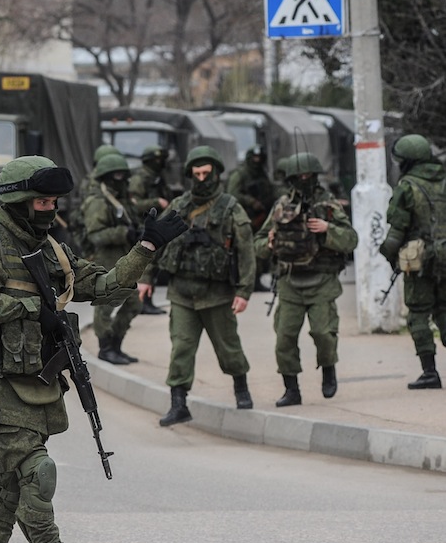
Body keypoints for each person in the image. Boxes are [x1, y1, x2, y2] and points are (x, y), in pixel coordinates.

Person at [0, 155, 188, 543]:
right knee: (38, 473)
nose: (49, 209)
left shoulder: (53, 250)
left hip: (37, 384)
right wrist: (27, 307)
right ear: (19, 201)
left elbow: (108, 288)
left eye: (54, 201)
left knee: (11, 485)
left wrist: (148, 247)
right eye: (41, 200)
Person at [153, 145, 257, 426]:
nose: (201, 178)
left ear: (216, 173)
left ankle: (241, 388)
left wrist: (244, 291)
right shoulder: (179, 206)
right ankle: (178, 403)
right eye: (196, 173)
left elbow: (246, 251)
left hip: (217, 295)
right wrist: (144, 279)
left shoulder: (230, 207)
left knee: (228, 347)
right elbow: (154, 241)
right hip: (182, 293)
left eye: (206, 173)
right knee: (181, 347)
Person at [255, 152, 357, 405]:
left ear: (315, 175)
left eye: (308, 175)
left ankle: (328, 370)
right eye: (299, 175)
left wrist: (328, 229)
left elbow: (351, 239)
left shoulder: (329, 205)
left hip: (321, 281)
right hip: (290, 282)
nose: (304, 179)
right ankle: (291, 389)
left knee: (323, 333)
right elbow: (257, 243)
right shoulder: (281, 206)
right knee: (284, 338)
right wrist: (267, 243)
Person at [379, 134, 446, 389]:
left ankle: (430, 373)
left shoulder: (407, 186)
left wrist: (387, 255)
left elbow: (396, 233)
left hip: (420, 261)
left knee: (419, 314)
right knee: (444, 309)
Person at [80, 151, 143, 364]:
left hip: (124, 257)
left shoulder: (121, 199)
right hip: (106, 258)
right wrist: (123, 234)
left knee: (133, 304)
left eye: (123, 175)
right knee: (105, 306)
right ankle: (105, 347)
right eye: (116, 176)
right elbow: (95, 234)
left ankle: (116, 344)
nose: (122, 180)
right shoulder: (98, 201)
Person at [128, 144, 172, 315]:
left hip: (157, 226)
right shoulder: (139, 179)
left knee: (154, 266)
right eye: (157, 160)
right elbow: (135, 206)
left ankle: (148, 300)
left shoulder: (158, 177)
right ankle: (142, 302)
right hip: (144, 227)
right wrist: (157, 202)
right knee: (146, 265)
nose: (160, 163)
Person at [228, 144, 277, 291]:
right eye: (254, 158)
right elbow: (232, 194)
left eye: (259, 158)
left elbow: (270, 191)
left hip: (259, 218)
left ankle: (255, 279)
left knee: (258, 249)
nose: (257, 161)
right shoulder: (239, 174)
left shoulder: (262, 174)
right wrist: (251, 201)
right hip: (243, 218)